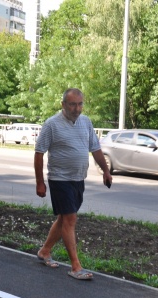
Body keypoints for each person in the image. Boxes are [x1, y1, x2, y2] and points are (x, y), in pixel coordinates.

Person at [34, 88, 112, 281]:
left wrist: (106, 171)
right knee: (70, 219)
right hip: (59, 179)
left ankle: (45, 251)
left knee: (63, 220)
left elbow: (95, 149)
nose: (77, 108)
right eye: (72, 104)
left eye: (80, 104)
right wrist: (40, 183)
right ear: (63, 104)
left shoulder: (86, 122)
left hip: (78, 178)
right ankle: (76, 266)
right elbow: (39, 153)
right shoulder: (52, 124)